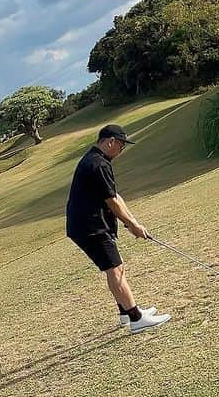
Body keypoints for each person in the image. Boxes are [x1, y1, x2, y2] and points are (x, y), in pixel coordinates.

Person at [65, 123, 171, 334]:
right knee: (114, 269)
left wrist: (132, 221)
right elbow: (112, 201)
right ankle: (136, 319)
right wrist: (132, 225)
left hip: (88, 224)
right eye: (121, 145)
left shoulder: (97, 160)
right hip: (90, 226)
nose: (121, 150)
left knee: (116, 267)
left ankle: (125, 313)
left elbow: (114, 195)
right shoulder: (98, 164)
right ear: (109, 142)